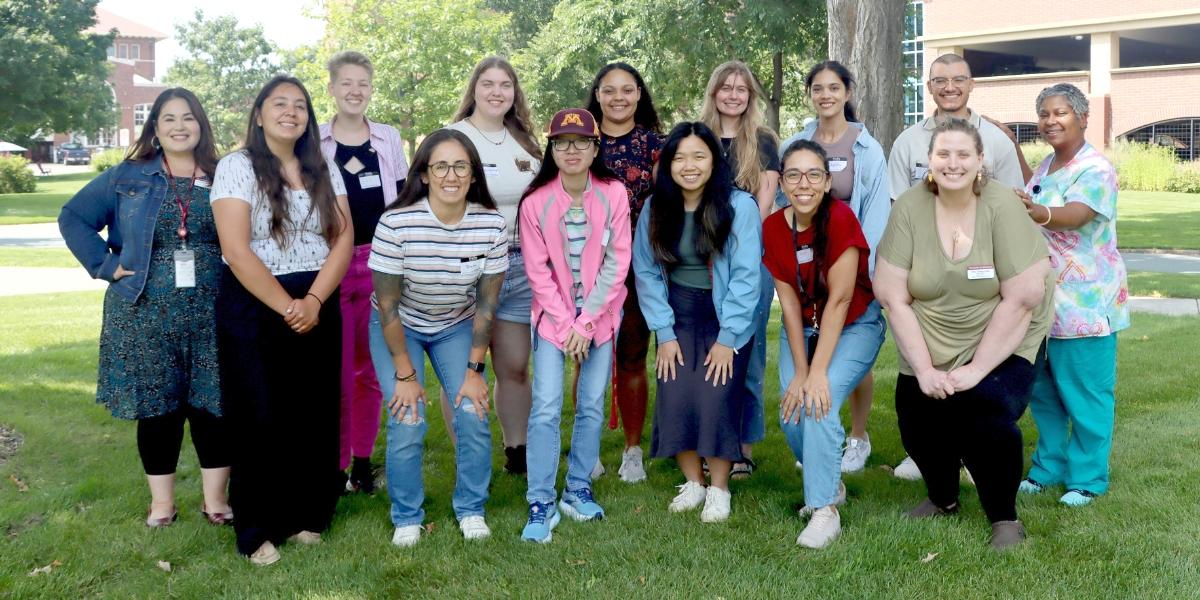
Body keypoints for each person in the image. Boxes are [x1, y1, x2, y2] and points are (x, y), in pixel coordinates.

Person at [872, 118, 1053, 550]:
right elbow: (892, 295)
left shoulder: (1001, 205)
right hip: (932, 334)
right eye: (943, 154)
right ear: (929, 161)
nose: (953, 163)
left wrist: (975, 370)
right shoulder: (909, 207)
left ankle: (1005, 519)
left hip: (1007, 333)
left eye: (963, 155)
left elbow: (1024, 296)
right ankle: (942, 498)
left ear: (980, 160)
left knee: (982, 413)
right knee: (916, 415)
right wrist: (924, 369)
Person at [59, 88, 231, 529]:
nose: (179, 126)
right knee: (158, 409)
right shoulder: (127, 177)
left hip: (214, 311)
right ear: (155, 127)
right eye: (168, 118)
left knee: (214, 407)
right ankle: (162, 505)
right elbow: (73, 217)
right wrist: (106, 265)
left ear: (201, 125)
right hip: (142, 312)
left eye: (188, 118)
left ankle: (216, 502)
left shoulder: (225, 174)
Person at [211, 75, 353, 565]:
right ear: (259, 113)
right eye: (280, 104)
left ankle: (307, 514)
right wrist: (287, 305)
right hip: (256, 302)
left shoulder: (322, 165)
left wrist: (313, 300)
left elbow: (343, 239)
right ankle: (256, 527)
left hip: (317, 294)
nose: (290, 112)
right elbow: (234, 248)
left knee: (311, 409)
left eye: (300, 106)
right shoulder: (236, 166)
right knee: (259, 413)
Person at [885, 53, 1025, 481]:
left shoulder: (996, 141)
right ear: (929, 87)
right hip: (926, 268)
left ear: (971, 84)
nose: (949, 87)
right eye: (940, 80)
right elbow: (897, 207)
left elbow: (1015, 204)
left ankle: (975, 452)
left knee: (980, 364)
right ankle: (935, 454)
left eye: (958, 79)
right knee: (926, 357)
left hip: (982, 269)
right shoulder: (907, 142)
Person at [368, 128, 507, 547]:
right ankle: (407, 516)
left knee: (472, 409)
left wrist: (475, 370)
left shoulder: (491, 224)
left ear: (473, 174)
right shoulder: (396, 222)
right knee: (408, 417)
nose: (451, 175)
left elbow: (486, 306)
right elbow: (388, 308)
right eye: (441, 165)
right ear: (424, 174)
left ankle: (471, 508)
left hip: (456, 324)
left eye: (460, 165)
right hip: (399, 326)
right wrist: (406, 377)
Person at [633, 122, 761, 522]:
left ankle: (719, 489)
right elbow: (647, 271)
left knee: (716, 397)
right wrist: (665, 333)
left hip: (724, 314)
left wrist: (728, 339)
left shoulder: (739, 206)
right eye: (680, 157)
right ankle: (693, 482)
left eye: (699, 156)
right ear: (669, 163)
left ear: (714, 161)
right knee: (676, 394)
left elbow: (745, 277)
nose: (689, 165)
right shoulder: (657, 208)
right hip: (677, 312)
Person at [763, 139, 885, 548]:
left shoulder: (842, 218)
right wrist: (800, 371)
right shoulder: (773, 228)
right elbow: (790, 306)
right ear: (781, 180)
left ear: (828, 180)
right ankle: (831, 484)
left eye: (814, 174)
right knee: (792, 408)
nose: (804, 183)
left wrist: (817, 374)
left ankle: (823, 510)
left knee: (820, 400)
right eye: (793, 174)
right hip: (804, 326)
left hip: (853, 323)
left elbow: (840, 300)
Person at [517, 108, 631, 542]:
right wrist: (567, 325)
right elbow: (537, 271)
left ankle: (577, 488)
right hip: (553, 322)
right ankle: (541, 498)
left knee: (592, 403)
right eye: (562, 142)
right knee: (546, 405)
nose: (571, 150)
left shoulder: (613, 193)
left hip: (599, 319)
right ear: (551, 147)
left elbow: (617, 261)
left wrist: (587, 323)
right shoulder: (536, 202)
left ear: (595, 146)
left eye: (581, 141)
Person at [1014, 83, 1130, 507]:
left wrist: (1037, 211)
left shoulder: (1096, 169)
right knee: (1043, 393)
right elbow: (1038, 195)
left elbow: (1075, 215)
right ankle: (1049, 467)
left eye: (1059, 112)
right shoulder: (1047, 165)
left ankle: (1087, 478)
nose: (1050, 121)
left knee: (1086, 395)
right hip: (1044, 304)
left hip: (1086, 305)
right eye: (1044, 114)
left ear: (1082, 117)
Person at [778, 60, 890, 474]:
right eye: (818, 89)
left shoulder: (867, 147)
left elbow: (876, 213)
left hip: (852, 262)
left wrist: (864, 267)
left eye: (834, 88)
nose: (826, 95)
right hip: (807, 266)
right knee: (812, 344)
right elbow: (783, 204)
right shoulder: (798, 141)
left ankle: (858, 436)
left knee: (850, 355)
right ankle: (821, 438)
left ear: (847, 92)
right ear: (810, 94)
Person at [318, 50, 410, 493]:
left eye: (363, 84)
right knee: (335, 371)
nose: (355, 91)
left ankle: (361, 463)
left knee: (370, 371)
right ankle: (333, 469)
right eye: (347, 83)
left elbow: (406, 198)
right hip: (331, 262)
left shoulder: (388, 138)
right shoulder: (313, 141)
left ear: (371, 90)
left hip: (381, 263)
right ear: (333, 88)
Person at [445, 56, 541, 474]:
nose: (497, 92)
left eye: (506, 85)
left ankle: (517, 451)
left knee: (515, 366)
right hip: (468, 266)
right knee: (465, 368)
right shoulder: (453, 138)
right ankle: (469, 455)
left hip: (519, 265)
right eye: (488, 83)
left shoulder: (523, 140)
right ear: (474, 89)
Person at [699, 60, 780, 479]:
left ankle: (742, 447)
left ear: (751, 97)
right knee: (702, 353)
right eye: (726, 87)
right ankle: (706, 441)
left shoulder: (763, 141)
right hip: (700, 261)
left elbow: (764, 206)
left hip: (749, 260)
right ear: (714, 92)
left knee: (746, 354)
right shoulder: (699, 136)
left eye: (742, 89)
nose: (733, 94)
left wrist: (732, 243)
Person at [586, 62, 663, 483]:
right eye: (609, 90)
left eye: (627, 90)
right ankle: (589, 445)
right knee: (589, 356)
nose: (618, 98)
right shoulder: (580, 142)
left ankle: (632, 450)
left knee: (632, 354)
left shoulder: (655, 146)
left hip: (638, 267)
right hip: (586, 269)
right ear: (597, 94)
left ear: (638, 95)